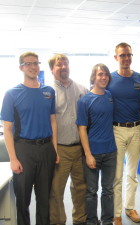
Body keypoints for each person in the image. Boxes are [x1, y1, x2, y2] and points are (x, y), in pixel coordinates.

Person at [1, 52, 59, 225]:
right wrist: (13, 159)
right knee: (23, 199)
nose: (33, 67)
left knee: (44, 198)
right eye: (28, 64)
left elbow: (53, 121)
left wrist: (54, 150)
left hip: (46, 149)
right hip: (24, 150)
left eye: (36, 63)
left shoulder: (48, 92)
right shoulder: (12, 93)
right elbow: (8, 128)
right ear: (21, 68)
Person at [107, 42, 140, 225]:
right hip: (116, 130)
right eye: (122, 55)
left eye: (129, 55)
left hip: (136, 129)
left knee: (132, 173)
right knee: (117, 174)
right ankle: (116, 213)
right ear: (116, 57)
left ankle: (129, 207)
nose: (126, 58)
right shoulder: (108, 78)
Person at [48, 54, 88, 225]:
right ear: (52, 69)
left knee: (81, 188)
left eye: (66, 63)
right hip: (60, 149)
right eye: (59, 64)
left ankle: (80, 220)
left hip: (80, 148)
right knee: (56, 190)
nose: (63, 67)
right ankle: (58, 222)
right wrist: (53, 150)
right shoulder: (47, 92)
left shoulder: (81, 89)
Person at [76, 64, 117, 225]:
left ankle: (107, 221)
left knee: (108, 191)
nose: (104, 77)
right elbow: (82, 128)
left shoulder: (110, 96)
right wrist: (88, 154)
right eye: (100, 74)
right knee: (91, 192)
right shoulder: (85, 100)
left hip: (110, 152)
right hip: (93, 152)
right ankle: (92, 221)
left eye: (106, 74)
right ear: (93, 77)